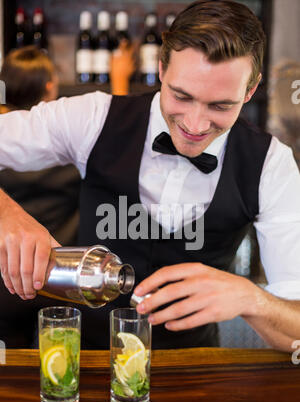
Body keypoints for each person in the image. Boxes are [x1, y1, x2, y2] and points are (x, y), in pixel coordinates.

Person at [0, 1, 300, 351]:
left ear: (250, 91)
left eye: (220, 106)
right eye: (181, 96)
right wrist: (7, 214)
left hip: (196, 373)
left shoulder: (271, 165)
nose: (195, 125)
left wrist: (252, 299)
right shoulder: (92, 118)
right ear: (161, 68)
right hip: (86, 365)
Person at [0, 46, 81, 347]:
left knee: (9, 372)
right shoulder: (70, 146)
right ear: (50, 86)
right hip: (59, 276)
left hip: (5, 279)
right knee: (59, 370)